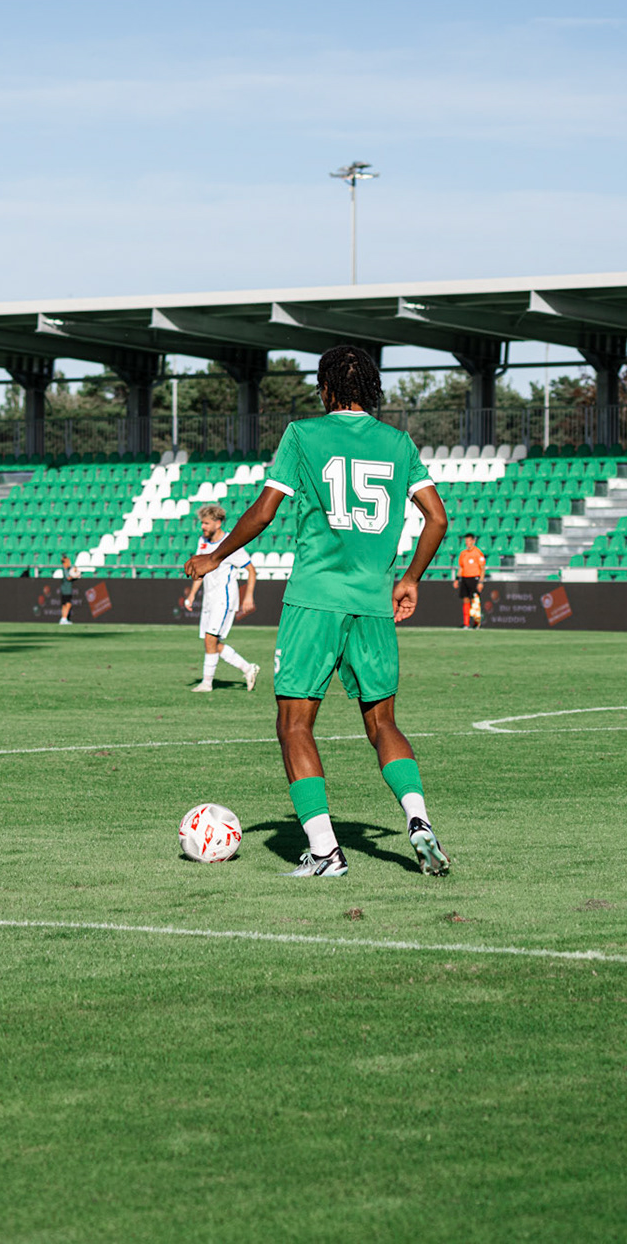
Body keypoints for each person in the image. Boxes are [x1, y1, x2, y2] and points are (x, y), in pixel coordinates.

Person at [185, 345, 452, 878]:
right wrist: (410, 580)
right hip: (373, 606)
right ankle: (418, 821)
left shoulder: (303, 435)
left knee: (294, 725)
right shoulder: (398, 443)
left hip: (314, 601)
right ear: (371, 390)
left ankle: (327, 851)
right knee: (383, 724)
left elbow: (265, 510)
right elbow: (437, 520)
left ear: (326, 388)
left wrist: (215, 556)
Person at [180, 503, 260, 692]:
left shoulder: (231, 544)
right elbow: (200, 569)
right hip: (209, 598)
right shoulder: (203, 542)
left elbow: (251, 570)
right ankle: (248, 668)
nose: (203, 527)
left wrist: (248, 597)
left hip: (224, 599)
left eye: (206, 523)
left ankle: (207, 683)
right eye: (202, 523)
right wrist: (192, 595)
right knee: (212, 642)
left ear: (218, 523)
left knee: (210, 638)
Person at [454, 532, 486, 628]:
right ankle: (466, 623)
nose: (467, 543)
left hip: (474, 578)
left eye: (469, 541)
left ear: (473, 541)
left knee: (475, 601)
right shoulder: (463, 553)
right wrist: (457, 579)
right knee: (465, 599)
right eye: (466, 541)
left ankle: (476, 623)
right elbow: (461, 567)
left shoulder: (478, 553)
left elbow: (482, 568)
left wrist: (481, 581)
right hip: (464, 578)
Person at [57, 555, 79, 625]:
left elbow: (73, 568)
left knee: (64, 604)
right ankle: (64, 618)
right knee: (68, 604)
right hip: (66, 589)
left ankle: (63, 618)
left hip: (66, 589)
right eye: (68, 561)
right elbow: (68, 578)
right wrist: (76, 576)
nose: (69, 563)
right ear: (65, 562)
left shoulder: (67, 568)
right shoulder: (65, 569)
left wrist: (75, 569)